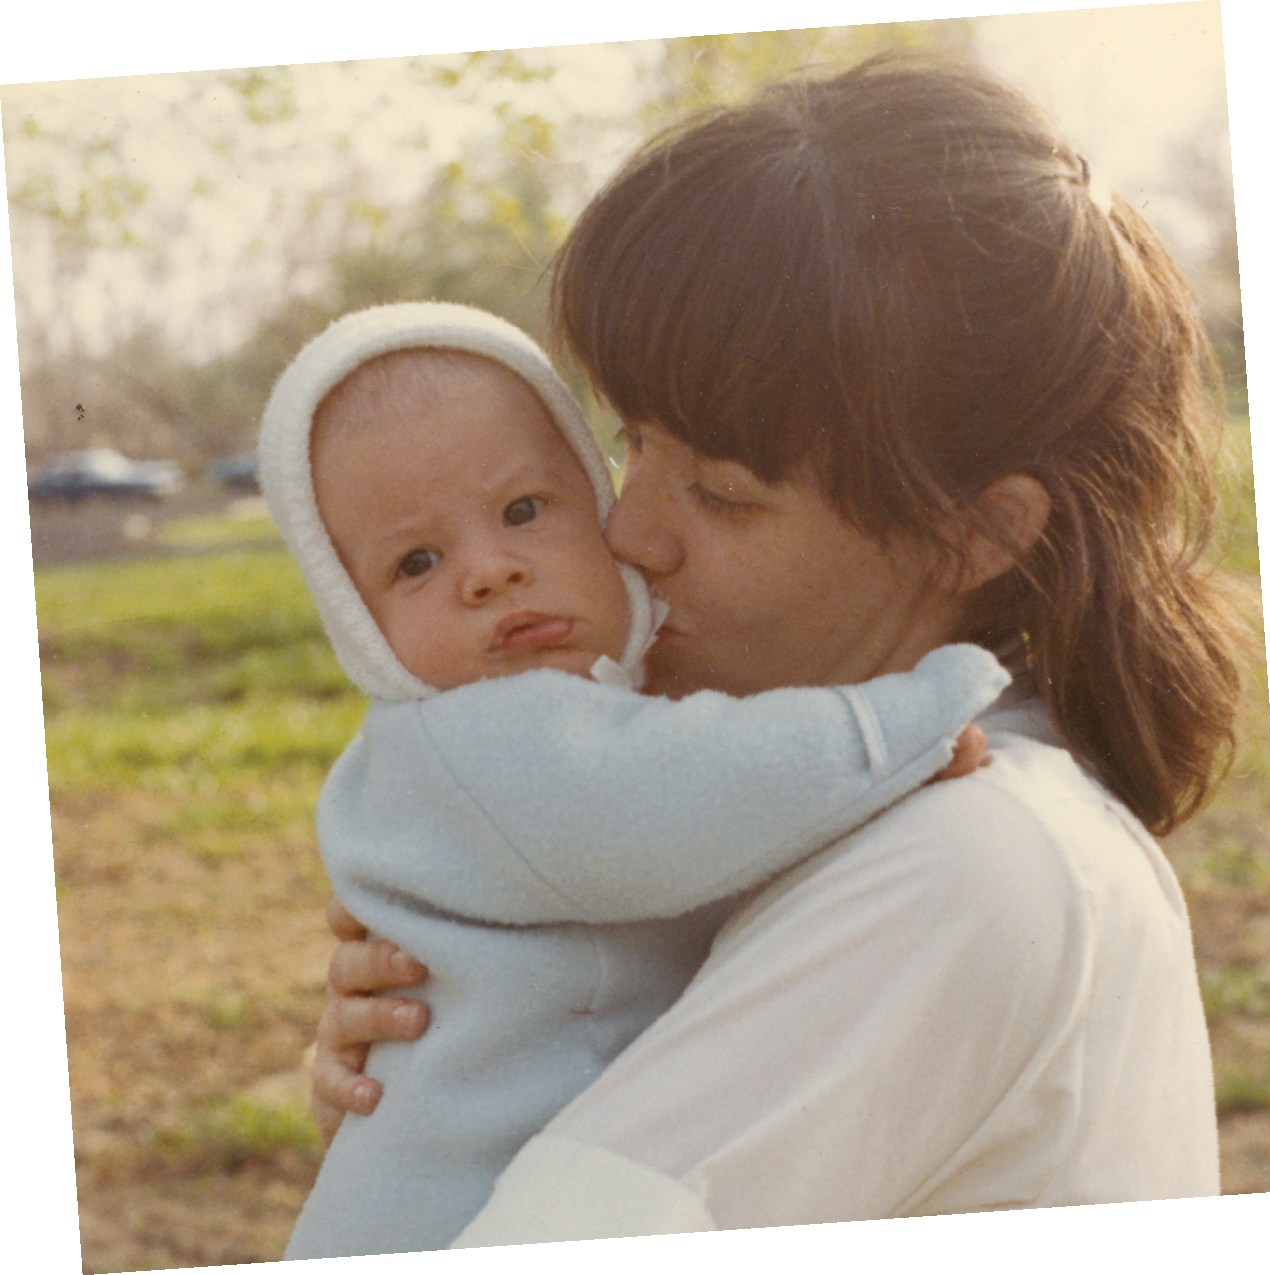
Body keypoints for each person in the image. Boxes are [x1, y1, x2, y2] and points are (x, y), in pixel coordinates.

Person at [311, 51, 1246, 1239]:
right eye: (629, 442)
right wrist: (462, 1067)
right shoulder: (844, 825)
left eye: (721, 493)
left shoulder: (968, 860)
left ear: (973, 535)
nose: (629, 531)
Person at [258, 301, 1009, 1258]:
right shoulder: (490, 735)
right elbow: (690, 797)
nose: (489, 571)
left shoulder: (595, 711)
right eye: (416, 562)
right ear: (355, 626)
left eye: (525, 510)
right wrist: (902, 717)